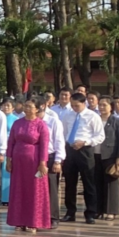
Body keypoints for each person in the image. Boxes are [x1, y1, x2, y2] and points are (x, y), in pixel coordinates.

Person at [5, 98, 50, 234]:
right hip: (18, 162)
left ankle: (33, 222)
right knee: (18, 189)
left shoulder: (41, 125)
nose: (27, 109)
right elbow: (11, 141)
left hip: (33, 161)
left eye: (30, 107)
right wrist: (9, 159)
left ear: (37, 109)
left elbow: (44, 145)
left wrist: (43, 163)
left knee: (34, 190)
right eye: (26, 106)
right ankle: (18, 220)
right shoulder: (17, 123)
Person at [62, 92, 104, 224]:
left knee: (88, 183)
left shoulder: (93, 116)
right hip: (70, 150)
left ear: (84, 103)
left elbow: (100, 136)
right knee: (69, 183)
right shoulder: (67, 115)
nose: (74, 108)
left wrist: (85, 142)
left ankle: (90, 212)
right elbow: (63, 132)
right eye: (72, 105)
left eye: (77, 105)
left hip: (85, 150)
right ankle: (70, 212)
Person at [96, 98, 119, 222]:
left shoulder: (117, 121)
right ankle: (99, 209)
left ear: (110, 107)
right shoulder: (95, 119)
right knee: (97, 183)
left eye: (104, 105)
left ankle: (111, 211)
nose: (101, 107)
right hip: (95, 154)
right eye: (100, 105)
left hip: (110, 155)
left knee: (111, 184)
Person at [41, 96, 67, 226]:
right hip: (34, 159)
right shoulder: (28, 122)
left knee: (51, 188)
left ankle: (53, 217)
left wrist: (58, 161)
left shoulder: (53, 121)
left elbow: (59, 142)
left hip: (50, 158)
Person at [0, 99, 20, 206]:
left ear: (13, 108)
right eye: (4, 105)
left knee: (6, 173)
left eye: (8, 106)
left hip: (10, 147)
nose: (6, 107)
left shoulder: (16, 120)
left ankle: (7, 198)